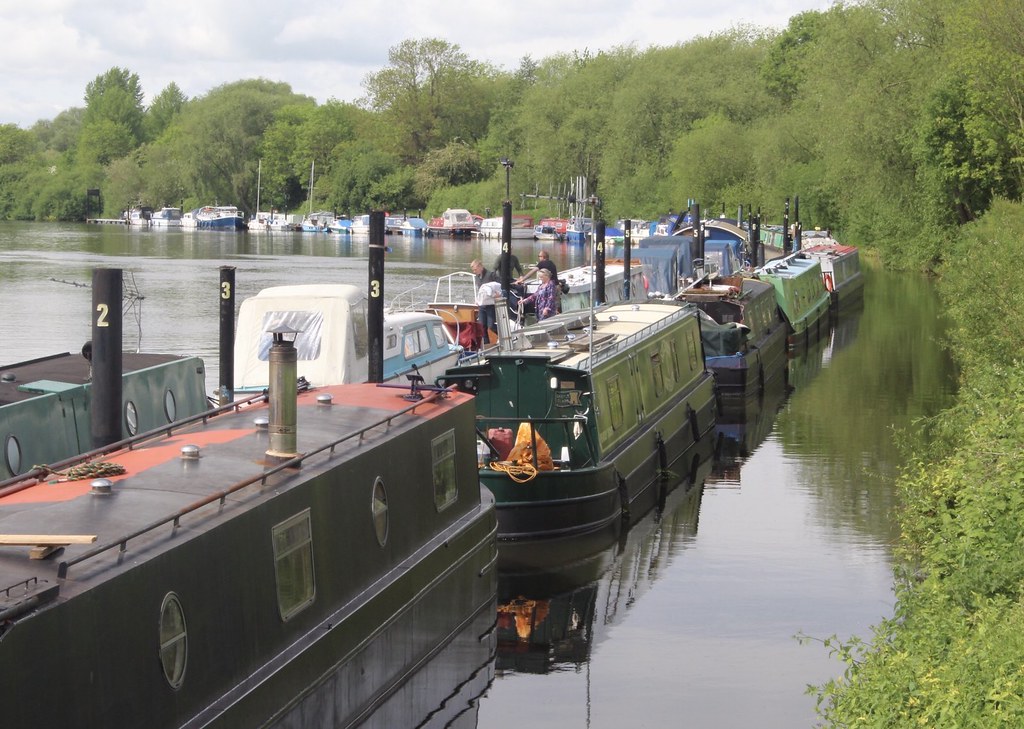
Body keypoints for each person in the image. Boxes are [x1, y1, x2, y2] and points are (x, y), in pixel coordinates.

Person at [470, 259, 499, 339]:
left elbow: (499, 285)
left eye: (475, 269)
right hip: (482, 305)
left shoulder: (491, 275)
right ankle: (486, 345)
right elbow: (480, 290)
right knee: (482, 327)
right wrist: (477, 299)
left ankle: (504, 337)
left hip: (490, 305)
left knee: (491, 326)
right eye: (473, 270)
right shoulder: (477, 277)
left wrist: (498, 294)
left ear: (480, 267)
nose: (474, 271)